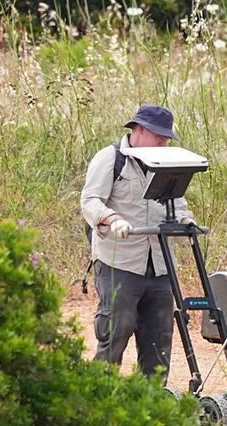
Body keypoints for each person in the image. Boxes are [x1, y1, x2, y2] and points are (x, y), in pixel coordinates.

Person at [80, 104, 195, 380]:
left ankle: (152, 404)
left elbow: (176, 202)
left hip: (159, 264)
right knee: (116, 330)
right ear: (141, 130)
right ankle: (101, 395)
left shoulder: (165, 162)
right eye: (160, 136)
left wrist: (186, 222)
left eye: (167, 138)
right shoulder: (110, 159)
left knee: (159, 337)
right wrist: (111, 218)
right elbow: (90, 200)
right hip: (120, 261)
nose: (164, 142)